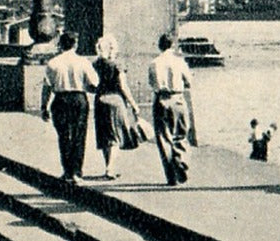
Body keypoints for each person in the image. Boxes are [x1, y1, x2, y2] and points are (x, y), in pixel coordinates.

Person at [40, 32, 97, 181]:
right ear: (75, 44)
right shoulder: (83, 62)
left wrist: (44, 106)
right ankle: (77, 172)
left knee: (64, 136)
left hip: (60, 99)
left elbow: (47, 87)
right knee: (79, 135)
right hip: (79, 99)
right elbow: (94, 84)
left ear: (61, 44)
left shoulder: (53, 63)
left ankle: (67, 171)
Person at [91, 34, 140, 179]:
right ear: (112, 48)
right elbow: (123, 87)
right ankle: (110, 168)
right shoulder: (117, 65)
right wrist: (134, 104)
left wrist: (99, 90)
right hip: (115, 100)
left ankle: (108, 166)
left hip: (100, 100)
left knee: (105, 135)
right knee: (115, 135)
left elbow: (91, 84)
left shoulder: (96, 64)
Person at [148, 33, 193, 185]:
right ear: (172, 45)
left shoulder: (154, 63)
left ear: (159, 46)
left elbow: (152, 83)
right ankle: (180, 160)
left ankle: (171, 176)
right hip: (178, 98)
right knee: (181, 133)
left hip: (161, 99)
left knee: (163, 137)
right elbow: (188, 82)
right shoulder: (180, 62)